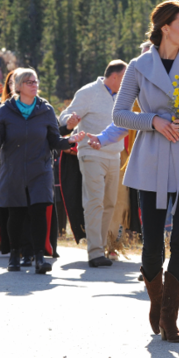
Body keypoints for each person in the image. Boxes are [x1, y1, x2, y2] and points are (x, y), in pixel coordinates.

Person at [112, 0, 179, 343]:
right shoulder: (138, 66)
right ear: (165, 28)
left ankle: (170, 318)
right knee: (153, 241)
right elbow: (120, 114)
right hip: (151, 158)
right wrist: (154, 121)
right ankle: (157, 301)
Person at [0, 68, 85, 274]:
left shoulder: (46, 110)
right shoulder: (5, 110)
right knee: (16, 214)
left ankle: (40, 257)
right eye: (30, 82)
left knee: (39, 211)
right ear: (20, 86)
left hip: (40, 170)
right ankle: (14, 254)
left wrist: (70, 140)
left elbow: (54, 141)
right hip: (13, 170)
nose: (35, 85)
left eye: (36, 81)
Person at [59, 60, 128, 267]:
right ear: (114, 77)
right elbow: (64, 116)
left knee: (109, 203)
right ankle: (95, 252)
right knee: (94, 202)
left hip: (115, 155)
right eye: (125, 78)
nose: (127, 83)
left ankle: (102, 247)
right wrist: (69, 123)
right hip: (91, 154)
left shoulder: (124, 97)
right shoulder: (88, 92)